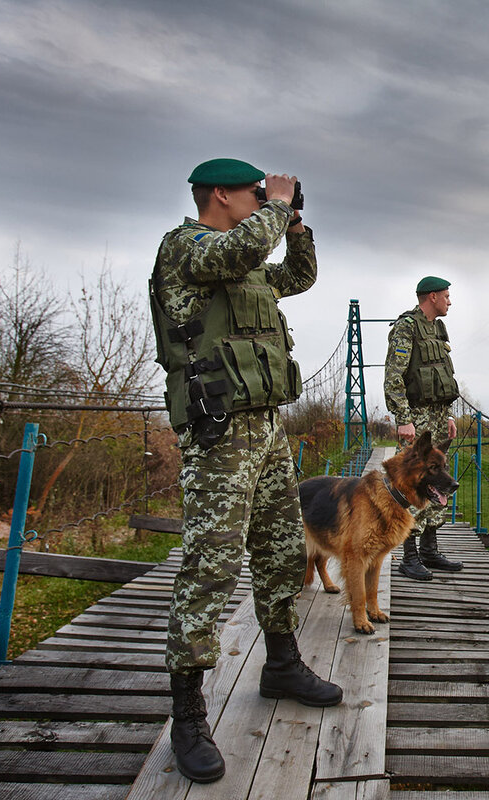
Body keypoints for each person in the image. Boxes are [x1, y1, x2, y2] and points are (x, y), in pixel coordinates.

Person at [149, 158, 342, 784]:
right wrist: (276, 208)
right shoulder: (186, 248)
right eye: (255, 195)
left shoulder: (247, 260)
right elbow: (238, 249)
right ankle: (187, 712)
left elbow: (301, 277)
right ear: (221, 195)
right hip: (217, 431)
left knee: (283, 549)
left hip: (265, 427)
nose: (264, 201)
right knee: (213, 563)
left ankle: (282, 664)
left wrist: (297, 221)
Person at [383, 276, 464, 580]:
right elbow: (394, 374)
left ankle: (430, 550)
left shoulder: (438, 328)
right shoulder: (407, 327)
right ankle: (409, 556)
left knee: (439, 482)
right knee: (413, 485)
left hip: (438, 417)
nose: (449, 301)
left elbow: (444, 374)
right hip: (416, 419)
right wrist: (404, 418)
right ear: (432, 297)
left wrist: (449, 416)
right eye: (446, 296)